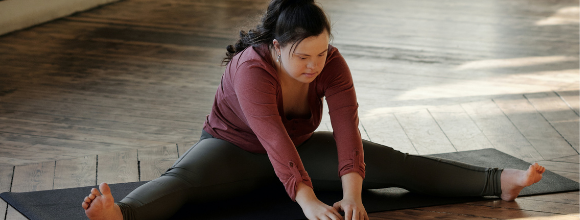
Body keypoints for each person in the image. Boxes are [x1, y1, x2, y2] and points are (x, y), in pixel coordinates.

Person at [80, 0, 546, 219]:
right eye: (303, 56)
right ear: (277, 46)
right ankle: (118, 214)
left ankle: (498, 182)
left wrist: (354, 195)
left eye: (321, 54)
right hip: (233, 150)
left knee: (389, 161)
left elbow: (347, 129)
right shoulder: (251, 68)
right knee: (181, 182)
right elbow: (271, 136)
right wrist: (307, 201)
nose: (314, 65)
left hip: (301, 152)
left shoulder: (331, 64)